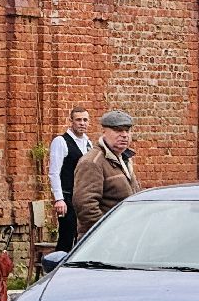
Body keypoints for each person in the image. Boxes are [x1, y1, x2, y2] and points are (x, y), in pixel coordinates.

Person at [72, 110, 141, 238]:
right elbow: (86, 206)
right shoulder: (92, 162)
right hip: (103, 241)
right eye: (118, 130)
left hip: (126, 236)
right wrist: (107, 233)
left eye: (127, 130)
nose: (124, 135)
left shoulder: (124, 159)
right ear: (104, 132)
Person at [47, 106, 92, 251]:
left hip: (83, 197)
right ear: (71, 121)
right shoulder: (61, 141)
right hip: (67, 197)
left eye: (85, 120)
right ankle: (57, 269)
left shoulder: (88, 143)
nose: (82, 123)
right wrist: (59, 199)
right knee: (67, 235)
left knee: (83, 236)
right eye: (78, 120)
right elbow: (54, 172)